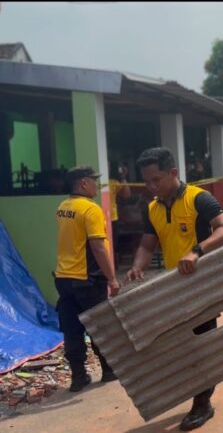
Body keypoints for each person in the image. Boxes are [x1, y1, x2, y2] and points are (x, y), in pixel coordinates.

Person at [124, 147, 223, 431]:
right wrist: (138, 265)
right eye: (147, 181)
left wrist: (196, 251)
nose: (151, 186)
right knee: (179, 345)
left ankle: (202, 404)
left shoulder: (198, 198)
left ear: (173, 173)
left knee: (200, 346)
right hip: (171, 289)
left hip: (201, 287)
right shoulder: (153, 207)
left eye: (156, 180)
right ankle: (197, 395)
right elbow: (147, 244)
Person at [54, 166, 120, 392]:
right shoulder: (90, 210)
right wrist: (112, 278)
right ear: (83, 183)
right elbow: (98, 247)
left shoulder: (63, 207)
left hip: (63, 278)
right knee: (100, 326)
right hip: (87, 279)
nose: (96, 185)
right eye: (94, 181)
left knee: (72, 328)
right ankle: (109, 371)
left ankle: (78, 377)